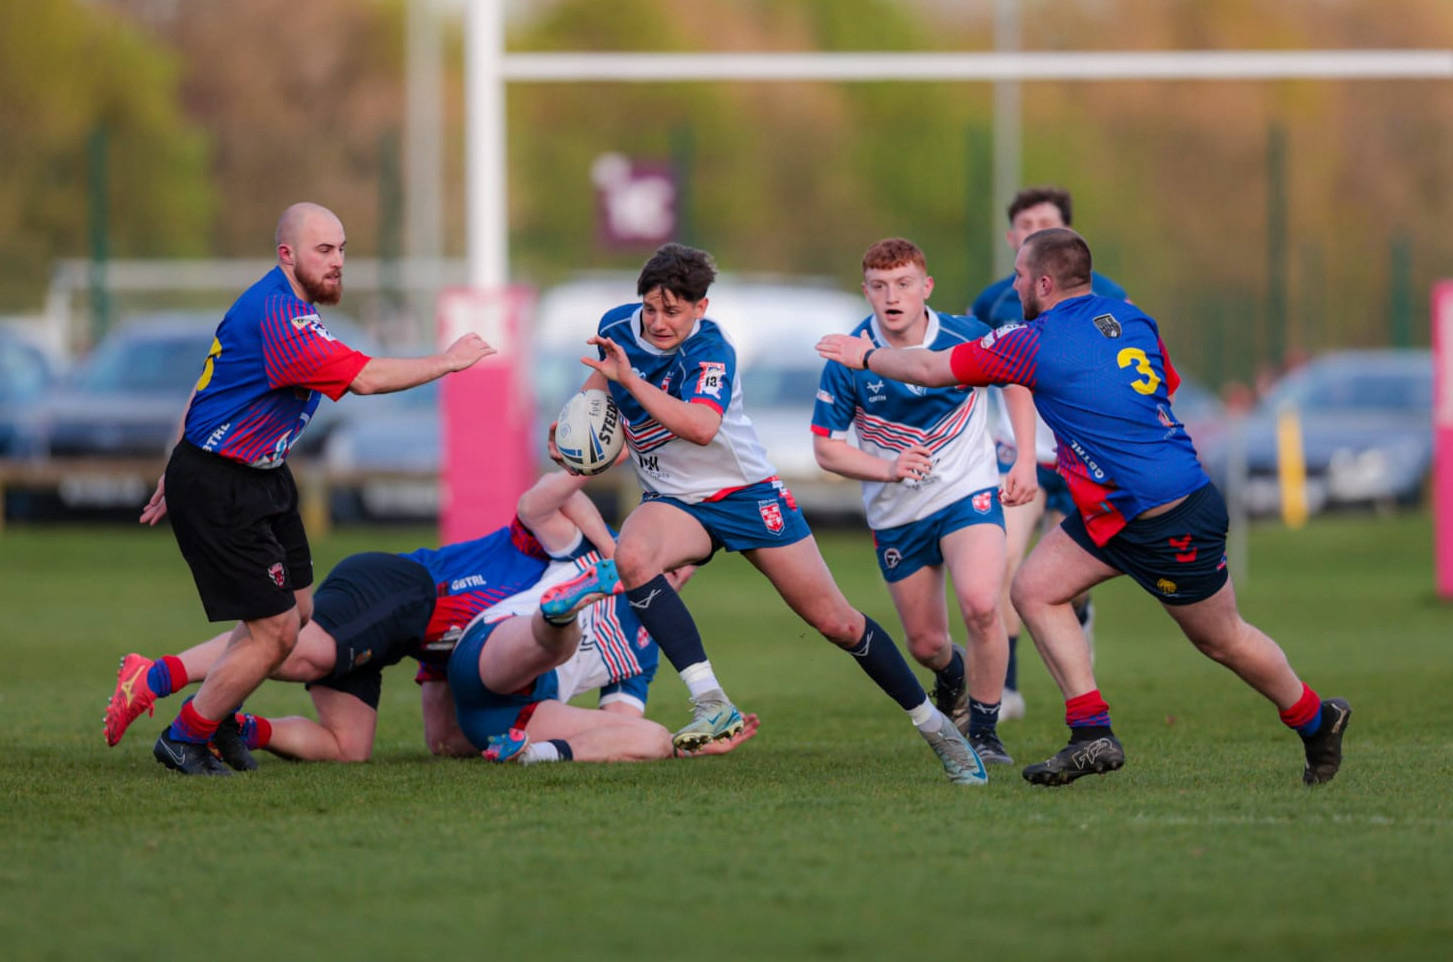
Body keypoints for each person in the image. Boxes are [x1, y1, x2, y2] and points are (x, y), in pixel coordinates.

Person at [817, 227, 1350, 787]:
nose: (1013, 284)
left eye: (1020, 276)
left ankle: (1317, 719)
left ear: (1044, 283)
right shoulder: (1133, 319)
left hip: (1166, 514)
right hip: (1117, 508)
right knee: (1031, 590)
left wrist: (866, 354)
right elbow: (1160, 385)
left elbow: (929, 369)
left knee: (1222, 639)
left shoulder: (1033, 340)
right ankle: (1091, 733)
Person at [553, 242, 987, 785]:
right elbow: (600, 389)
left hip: (746, 496)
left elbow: (701, 427)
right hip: (672, 500)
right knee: (635, 557)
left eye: (674, 311)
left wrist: (630, 381)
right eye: (652, 309)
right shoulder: (617, 326)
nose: (660, 322)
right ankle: (711, 701)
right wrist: (575, 435)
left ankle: (935, 727)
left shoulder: (712, 349)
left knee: (838, 622)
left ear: (700, 309)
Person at [136, 202, 493, 775]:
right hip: (221, 483)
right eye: (324, 251)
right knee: (274, 630)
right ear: (287, 254)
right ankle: (185, 736)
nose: (337, 263)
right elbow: (367, 378)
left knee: (298, 614)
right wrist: (449, 362)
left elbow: (207, 385)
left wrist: (173, 460)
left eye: (342, 250)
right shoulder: (280, 315)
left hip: (261, 476)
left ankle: (222, 714)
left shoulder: (290, 307)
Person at [108, 470, 608, 763]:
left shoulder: (547, 615)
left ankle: (234, 728)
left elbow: (442, 729)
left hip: (409, 637)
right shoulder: (556, 549)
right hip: (400, 587)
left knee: (347, 748)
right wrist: (613, 546)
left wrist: (466, 737)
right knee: (305, 652)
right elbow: (551, 490)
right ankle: (153, 675)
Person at [810, 237, 1037, 765]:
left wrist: (1024, 458)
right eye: (880, 286)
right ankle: (954, 675)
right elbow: (825, 448)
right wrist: (886, 468)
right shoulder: (849, 356)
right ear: (865, 291)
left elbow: (1018, 381)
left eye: (904, 284)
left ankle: (984, 731)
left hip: (967, 493)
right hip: (898, 514)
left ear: (926, 287)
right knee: (926, 645)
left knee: (982, 605)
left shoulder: (964, 334)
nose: (893, 296)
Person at [970, 186, 1132, 719]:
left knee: (1073, 580)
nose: (1034, 231)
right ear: (1012, 237)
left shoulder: (1108, 297)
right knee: (1004, 565)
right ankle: (1009, 687)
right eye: (1025, 224)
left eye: (1046, 223)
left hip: (1082, 455)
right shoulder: (993, 301)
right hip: (1019, 454)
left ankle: (1080, 621)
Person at [440, 557, 759, 764]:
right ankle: (561, 614)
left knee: (654, 738)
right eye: (681, 554)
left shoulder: (646, 650)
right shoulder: (600, 545)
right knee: (557, 647)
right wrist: (582, 462)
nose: (684, 567)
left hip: (508, 720)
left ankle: (532, 754)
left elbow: (621, 724)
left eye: (694, 562)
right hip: (493, 650)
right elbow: (538, 506)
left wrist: (686, 744)